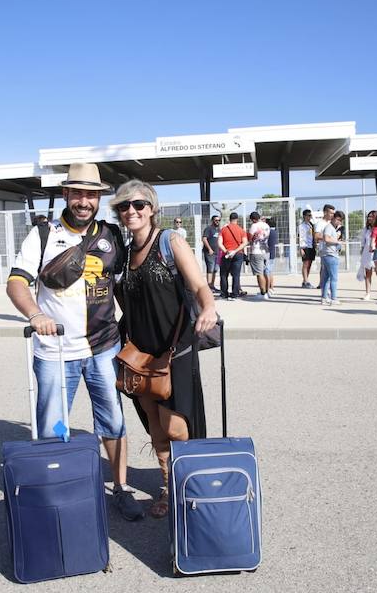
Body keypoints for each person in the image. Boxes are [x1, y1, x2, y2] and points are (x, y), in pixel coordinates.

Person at [6, 163, 143, 521]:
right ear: (66, 194)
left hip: (104, 346)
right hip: (56, 351)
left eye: (91, 194)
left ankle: (121, 488)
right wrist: (36, 315)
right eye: (78, 193)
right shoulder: (43, 235)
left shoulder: (113, 235)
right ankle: (59, 494)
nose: (84, 201)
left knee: (113, 422)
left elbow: (135, 276)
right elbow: (17, 283)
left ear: (99, 198)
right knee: (52, 427)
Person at [110, 179, 217, 519]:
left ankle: (190, 484)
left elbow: (199, 284)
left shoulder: (170, 241)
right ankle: (169, 486)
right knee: (155, 427)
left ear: (152, 208)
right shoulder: (123, 255)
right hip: (140, 353)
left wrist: (209, 307)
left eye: (139, 204)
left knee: (174, 425)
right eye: (124, 206)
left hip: (175, 349)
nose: (131, 211)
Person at [218, 212, 247, 301]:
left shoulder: (223, 229)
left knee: (223, 274)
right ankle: (234, 294)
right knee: (236, 275)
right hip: (238, 254)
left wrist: (226, 251)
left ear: (229, 219)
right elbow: (245, 242)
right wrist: (235, 251)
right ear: (237, 219)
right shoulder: (241, 230)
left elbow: (219, 243)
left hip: (226, 254)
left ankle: (224, 293)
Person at [317, 210, 344, 305]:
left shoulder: (331, 227)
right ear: (333, 218)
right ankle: (333, 298)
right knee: (333, 278)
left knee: (326, 278)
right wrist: (337, 242)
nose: (338, 222)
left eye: (340, 220)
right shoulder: (329, 227)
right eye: (337, 219)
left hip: (327, 255)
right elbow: (327, 239)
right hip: (330, 255)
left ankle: (324, 298)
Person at [247, 211, 271, 299]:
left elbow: (249, 238)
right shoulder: (266, 225)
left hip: (256, 251)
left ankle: (262, 293)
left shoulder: (254, 226)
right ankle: (267, 291)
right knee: (266, 272)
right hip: (266, 250)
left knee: (259, 273)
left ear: (253, 219)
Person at [315, 204, 337, 290]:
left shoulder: (331, 223)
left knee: (328, 269)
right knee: (324, 268)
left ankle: (324, 285)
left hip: (332, 249)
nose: (332, 215)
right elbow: (316, 236)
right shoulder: (320, 223)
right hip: (324, 249)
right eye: (330, 213)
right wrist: (327, 238)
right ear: (325, 212)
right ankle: (322, 285)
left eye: (333, 213)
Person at [357, 210, 377, 300]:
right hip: (367, 253)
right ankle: (367, 293)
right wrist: (362, 255)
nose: (369, 218)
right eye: (369, 216)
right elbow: (363, 243)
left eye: (372, 216)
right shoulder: (366, 229)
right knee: (368, 274)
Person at [201, 215, 221, 292]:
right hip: (209, 253)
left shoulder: (219, 230)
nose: (217, 222)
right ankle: (209, 286)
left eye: (219, 220)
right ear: (212, 221)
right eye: (216, 220)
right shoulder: (208, 229)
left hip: (217, 252)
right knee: (210, 269)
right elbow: (204, 239)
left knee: (215, 269)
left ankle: (212, 285)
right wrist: (209, 249)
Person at [298, 209, 315, 288]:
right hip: (305, 246)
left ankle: (306, 280)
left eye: (310, 215)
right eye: (308, 215)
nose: (309, 217)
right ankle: (305, 281)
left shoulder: (311, 225)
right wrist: (301, 248)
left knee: (309, 264)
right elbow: (301, 237)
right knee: (305, 264)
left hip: (311, 246)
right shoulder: (301, 226)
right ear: (304, 216)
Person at [265, 218, 278, 295]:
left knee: (267, 272)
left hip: (268, 253)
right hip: (272, 253)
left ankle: (269, 288)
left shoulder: (269, 232)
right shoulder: (275, 232)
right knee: (270, 272)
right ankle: (271, 287)